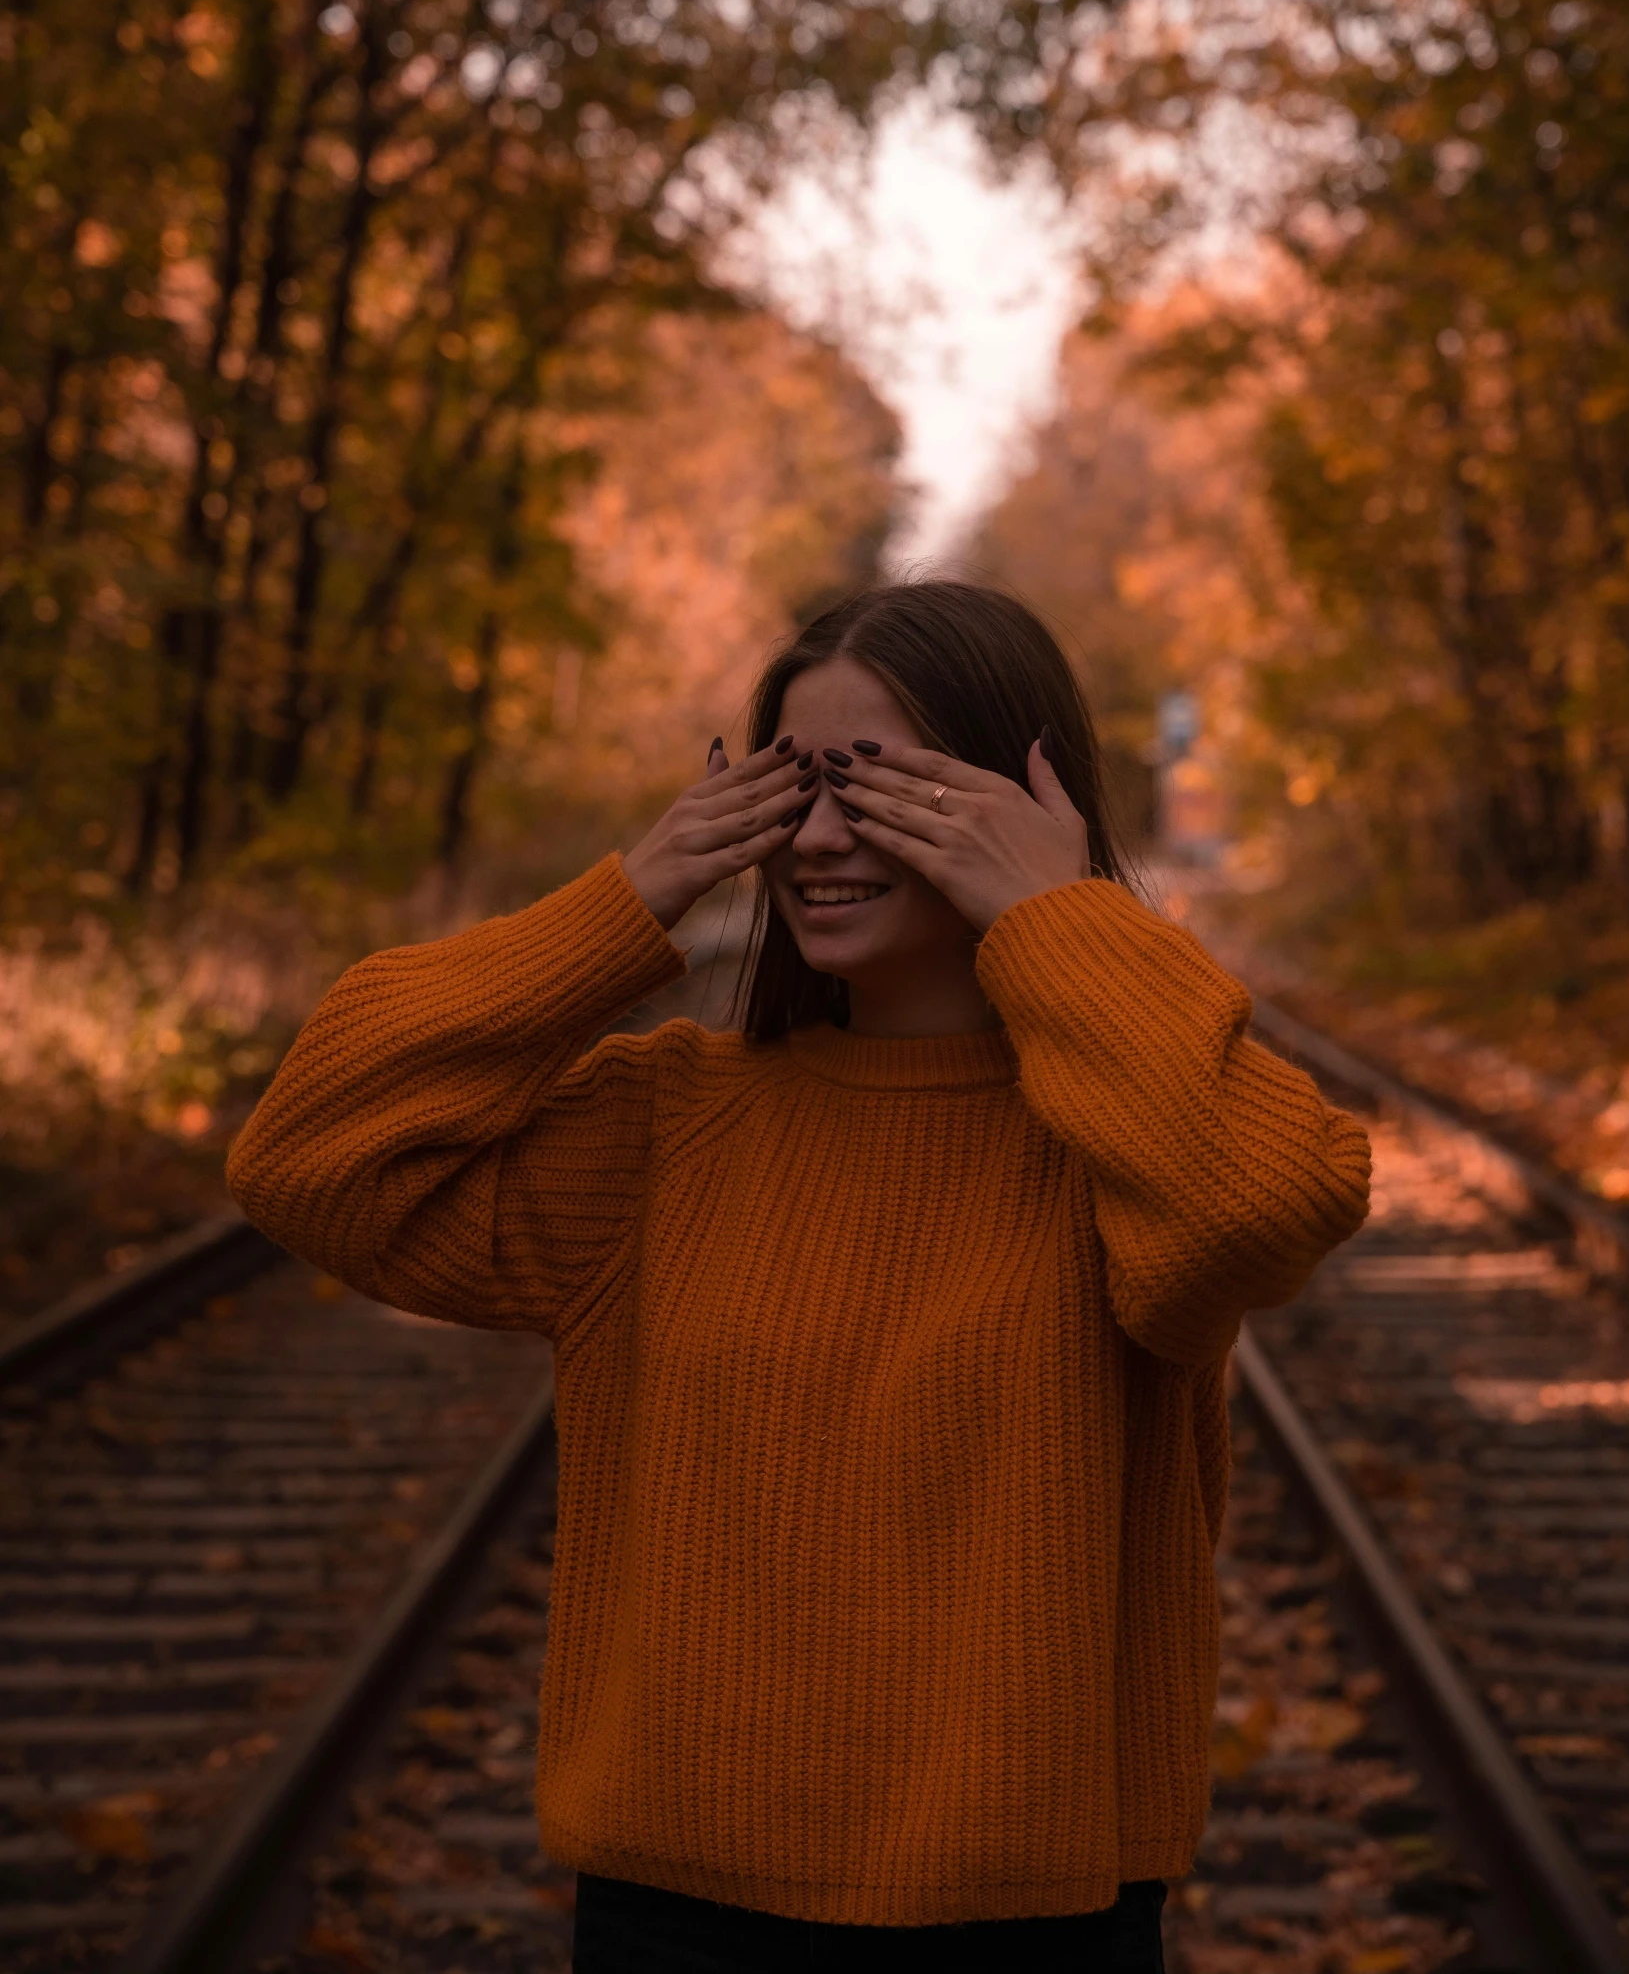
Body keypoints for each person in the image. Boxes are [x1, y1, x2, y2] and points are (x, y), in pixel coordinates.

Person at [227, 580, 1371, 1973]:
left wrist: (1059, 917)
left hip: (1027, 1926)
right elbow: (307, 1153)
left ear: (1023, 800)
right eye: (787, 789)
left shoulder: (1119, 1144)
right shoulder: (664, 1122)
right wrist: (634, 895)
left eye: (877, 789)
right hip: (677, 1918)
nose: (817, 837)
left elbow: (1263, 1203)